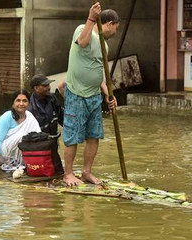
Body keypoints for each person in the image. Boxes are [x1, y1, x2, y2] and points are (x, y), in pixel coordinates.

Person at [63, 3, 119, 186]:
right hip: (77, 93)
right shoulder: (83, 29)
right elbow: (82, 42)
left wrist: (108, 94)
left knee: (94, 135)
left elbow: (99, 74)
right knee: (73, 135)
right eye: (116, 28)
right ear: (109, 23)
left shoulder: (105, 45)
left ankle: (86, 172)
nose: (116, 32)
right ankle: (68, 174)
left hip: (94, 95)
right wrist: (91, 18)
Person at [0, 89, 41, 177]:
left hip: (21, 154)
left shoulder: (30, 117)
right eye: (18, 100)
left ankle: (21, 164)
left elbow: (38, 136)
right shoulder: (7, 117)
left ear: (29, 104)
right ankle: (12, 165)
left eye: (24, 101)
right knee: (22, 136)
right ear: (13, 103)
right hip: (1, 153)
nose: (21, 104)